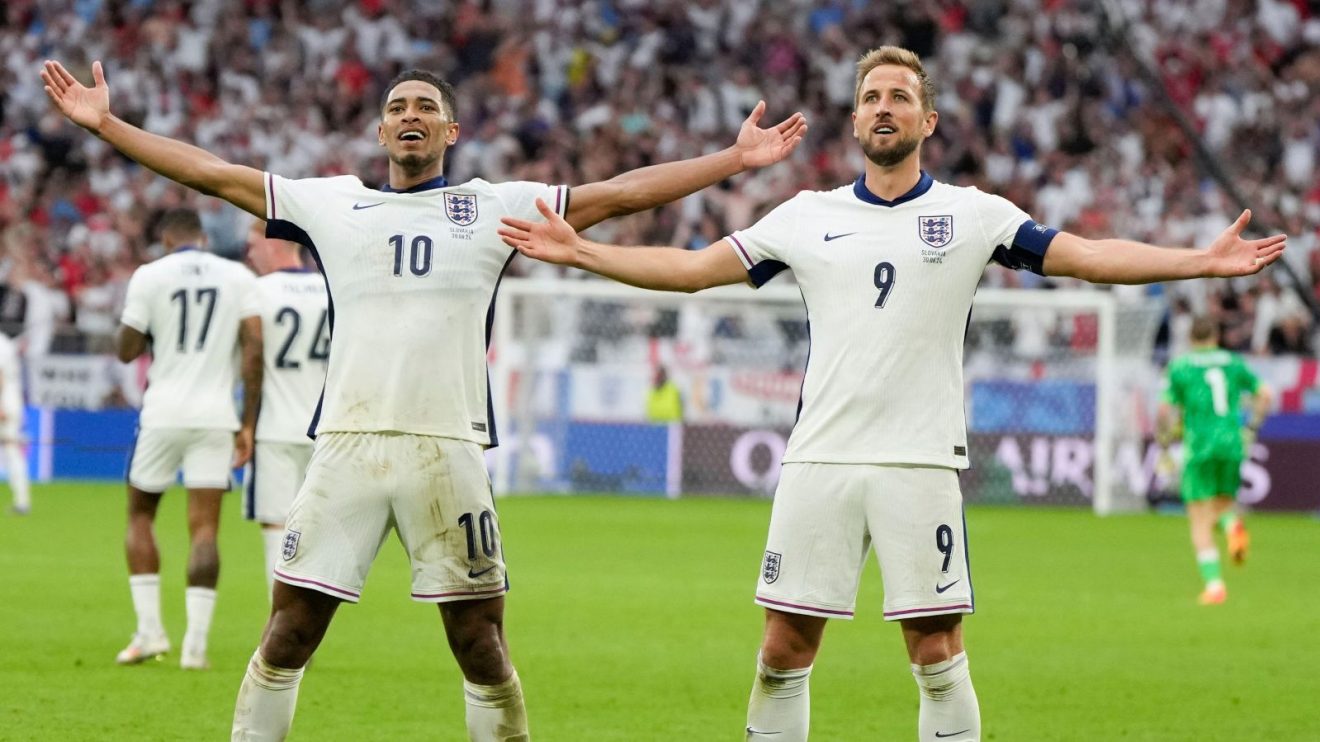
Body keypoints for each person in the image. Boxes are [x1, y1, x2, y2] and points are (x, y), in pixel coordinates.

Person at [496, 46, 1286, 742]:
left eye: (900, 96)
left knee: (937, 652)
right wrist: (584, 253)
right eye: (871, 96)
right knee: (782, 650)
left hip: (920, 461)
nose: (884, 106)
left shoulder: (973, 214)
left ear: (928, 120)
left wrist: (1197, 261)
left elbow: (1084, 255)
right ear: (853, 120)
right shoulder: (807, 216)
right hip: (821, 459)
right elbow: (695, 270)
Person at [43, 59, 804, 741]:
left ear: (451, 130)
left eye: (425, 108)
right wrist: (108, 125)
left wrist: (733, 159)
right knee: (289, 632)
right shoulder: (331, 204)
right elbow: (213, 174)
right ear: (380, 130)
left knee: (479, 641)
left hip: (448, 450)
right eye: (397, 107)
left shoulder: (499, 206)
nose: (410, 115)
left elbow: (617, 194)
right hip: (347, 447)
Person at [114, 207, 263, 670]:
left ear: (166, 240)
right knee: (205, 529)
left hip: (162, 413)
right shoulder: (238, 276)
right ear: (202, 239)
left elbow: (126, 351)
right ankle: (195, 648)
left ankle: (150, 632)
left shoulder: (150, 275)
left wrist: (150, 327)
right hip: (216, 415)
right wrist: (248, 422)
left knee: (141, 515)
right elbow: (254, 352)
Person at [1157, 315, 1270, 605]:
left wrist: (1165, 442)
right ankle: (1233, 526)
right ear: (1216, 337)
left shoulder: (1181, 366)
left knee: (1199, 518)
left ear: (1191, 339)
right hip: (1232, 443)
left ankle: (1215, 586)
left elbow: (1164, 411)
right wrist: (1252, 428)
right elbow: (1265, 394)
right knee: (1221, 506)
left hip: (1200, 447)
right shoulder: (1233, 362)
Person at [242, 220, 329, 597]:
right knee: (319, 535)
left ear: (272, 244)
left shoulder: (256, 292)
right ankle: (310, 626)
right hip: (326, 433)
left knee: (276, 529)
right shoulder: (331, 288)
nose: (249, 255)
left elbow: (249, 360)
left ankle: (280, 624)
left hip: (274, 429)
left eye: (253, 245)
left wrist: (243, 424)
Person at [0, 330, 30, 515]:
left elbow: (0, 377)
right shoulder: (6, 342)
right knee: (12, 451)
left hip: (6, 402)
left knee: (11, 450)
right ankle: (22, 500)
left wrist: (1, 406)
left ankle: (22, 502)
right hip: (12, 400)